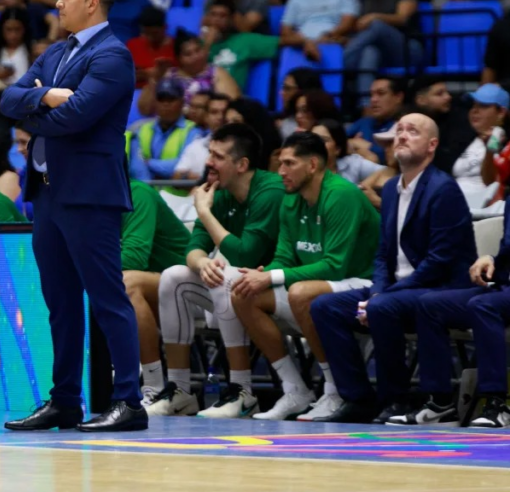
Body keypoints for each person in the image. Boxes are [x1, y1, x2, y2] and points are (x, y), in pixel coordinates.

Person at [1, 0, 147, 432]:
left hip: (89, 196)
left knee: (107, 300)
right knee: (60, 303)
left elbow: (78, 118)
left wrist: (35, 109)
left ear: (92, 3)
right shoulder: (56, 52)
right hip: (46, 194)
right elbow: (6, 99)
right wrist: (44, 99)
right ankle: (65, 400)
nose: (57, 2)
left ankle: (130, 402)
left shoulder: (113, 56)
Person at [309, 113, 476, 423]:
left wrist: (381, 297)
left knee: (382, 307)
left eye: (412, 131)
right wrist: (377, 291)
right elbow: (383, 255)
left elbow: (439, 261)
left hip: (441, 290)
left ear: (431, 145)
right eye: (399, 130)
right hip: (396, 292)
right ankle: (358, 397)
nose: (401, 135)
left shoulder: (444, 189)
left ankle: (396, 400)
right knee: (325, 307)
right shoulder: (389, 190)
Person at [406, 116, 510, 429]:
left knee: (482, 305)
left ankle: (496, 405)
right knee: (429, 304)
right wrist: (490, 260)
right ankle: (441, 402)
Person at [224, 132, 380, 421]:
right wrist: (263, 274)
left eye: (289, 163)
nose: (281, 171)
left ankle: (334, 391)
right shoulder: (291, 199)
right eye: (280, 163)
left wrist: (273, 277)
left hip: (364, 283)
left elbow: (334, 266)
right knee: (243, 292)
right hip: (319, 283)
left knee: (301, 292)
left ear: (312, 165)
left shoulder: (341, 194)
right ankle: (295, 388)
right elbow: (284, 257)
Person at [146, 124, 286, 417]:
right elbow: (193, 247)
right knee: (173, 276)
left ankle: (242, 392)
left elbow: (246, 253)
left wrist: (204, 212)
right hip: (243, 291)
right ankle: (181, 390)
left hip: (277, 287)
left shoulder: (269, 190)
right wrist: (202, 263)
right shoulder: (220, 191)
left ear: (241, 164)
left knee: (229, 278)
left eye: (218, 156)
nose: (209, 162)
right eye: (210, 153)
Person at [120, 177, 189, 402]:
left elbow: (135, 258)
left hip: (188, 285)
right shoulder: (85, 201)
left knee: (125, 283)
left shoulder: (137, 194)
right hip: (154, 286)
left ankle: (154, 386)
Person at [343, 0, 424, 105]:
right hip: (382, 55)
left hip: (407, 50)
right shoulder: (366, 0)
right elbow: (357, 29)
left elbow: (402, 18)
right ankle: (366, 106)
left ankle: (342, 61)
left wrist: (375, 17)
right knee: (369, 52)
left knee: (377, 26)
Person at [137, 32, 239, 116]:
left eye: (198, 50)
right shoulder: (168, 75)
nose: (195, 56)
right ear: (179, 59)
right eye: (188, 54)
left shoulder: (216, 73)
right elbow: (145, 110)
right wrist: (155, 79)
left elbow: (231, 106)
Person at [205, 0, 279, 90]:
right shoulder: (197, 46)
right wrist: (207, 44)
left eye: (222, 16)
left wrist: (300, 39)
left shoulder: (245, 41)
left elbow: (280, 43)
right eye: (213, 15)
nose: (216, 20)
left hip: (231, 99)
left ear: (232, 19)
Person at [312, 119, 386, 185]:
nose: (316, 144)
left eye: (324, 140)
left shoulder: (353, 164)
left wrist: (363, 187)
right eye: (312, 139)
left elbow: (388, 172)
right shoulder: (302, 167)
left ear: (337, 149)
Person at [126, 7, 175, 88]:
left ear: (164, 27)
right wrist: (147, 74)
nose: (149, 38)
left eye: (154, 33)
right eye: (145, 33)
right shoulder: (132, 44)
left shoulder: (175, 47)